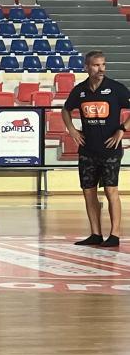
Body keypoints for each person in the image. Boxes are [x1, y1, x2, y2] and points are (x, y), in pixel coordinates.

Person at [62, 50, 130, 247]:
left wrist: (121, 130)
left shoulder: (116, 88)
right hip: (87, 151)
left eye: (103, 65)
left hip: (110, 150)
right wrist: (72, 130)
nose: (101, 69)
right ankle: (95, 234)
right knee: (88, 191)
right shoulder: (80, 90)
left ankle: (115, 234)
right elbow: (66, 109)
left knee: (111, 191)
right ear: (86, 67)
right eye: (96, 65)